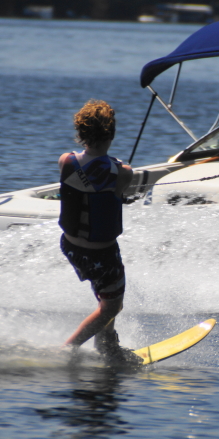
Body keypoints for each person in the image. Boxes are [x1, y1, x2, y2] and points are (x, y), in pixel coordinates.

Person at [58, 99, 141, 367]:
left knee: (105, 294)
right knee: (112, 306)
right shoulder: (123, 172)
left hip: (72, 247)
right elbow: (114, 191)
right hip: (101, 253)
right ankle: (68, 349)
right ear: (112, 134)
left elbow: (90, 182)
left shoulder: (66, 162)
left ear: (81, 134)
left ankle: (107, 343)